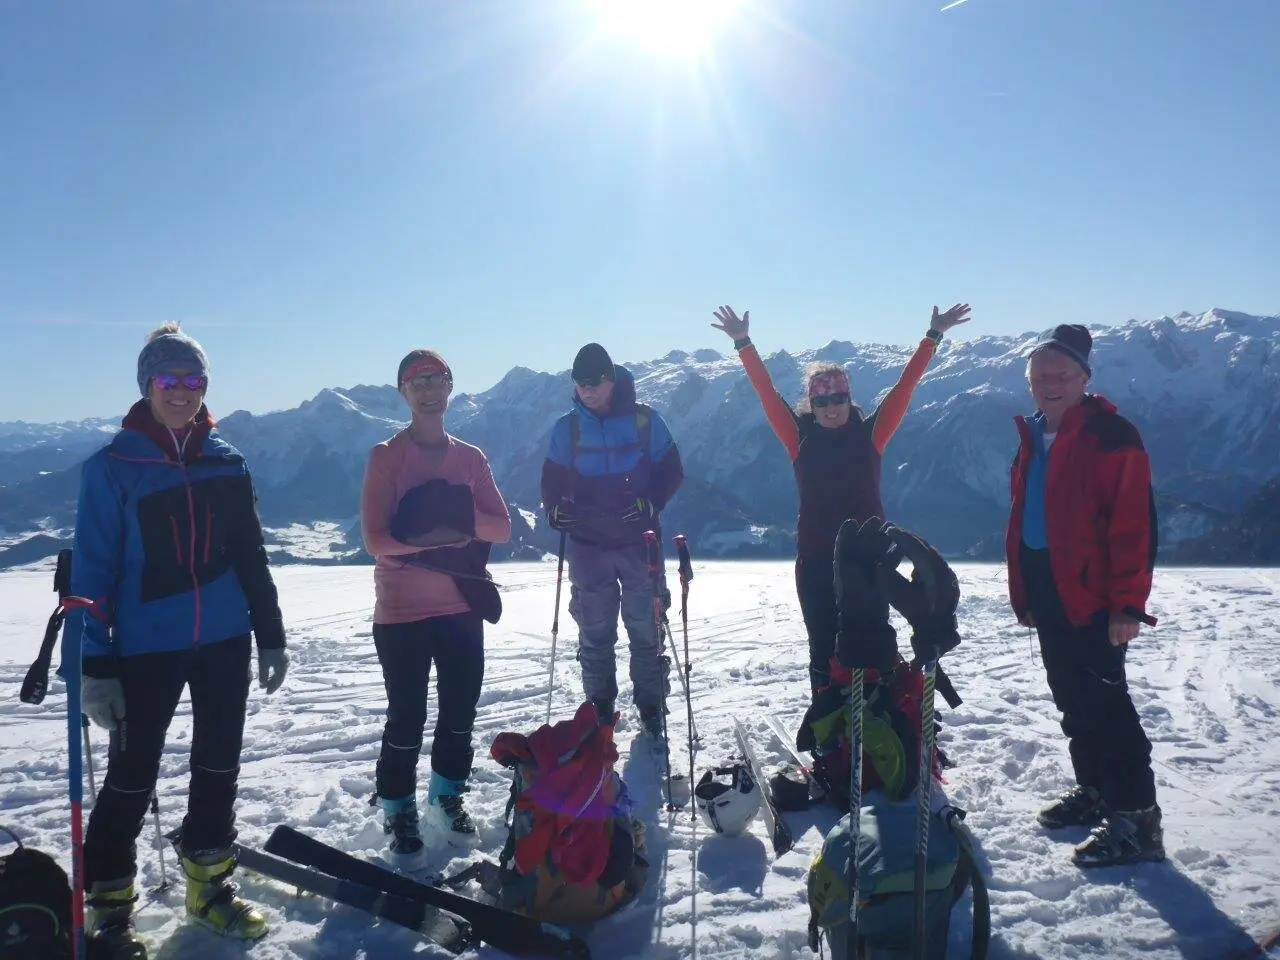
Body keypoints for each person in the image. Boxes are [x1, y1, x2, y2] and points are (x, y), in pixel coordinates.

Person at [69, 323, 288, 957]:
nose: (183, 392)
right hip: (145, 647)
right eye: (170, 380)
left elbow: (250, 553)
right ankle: (109, 907)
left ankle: (209, 887)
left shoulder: (227, 459)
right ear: (147, 386)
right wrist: (95, 663)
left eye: (194, 380)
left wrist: (269, 634)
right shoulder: (113, 467)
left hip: (225, 638)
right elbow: (91, 573)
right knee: (132, 776)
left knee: (218, 765)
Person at [710, 303, 970, 695]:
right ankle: (830, 735)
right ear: (811, 406)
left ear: (849, 399)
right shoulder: (800, 438)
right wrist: (742, 342)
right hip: (817, 560)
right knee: (823, 649)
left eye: (838, 400)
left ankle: (876, 724)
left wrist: (932, 336)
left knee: (871, 645)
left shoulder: (871, 435)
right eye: (822, 402)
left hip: (868, 561)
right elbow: (767, 393)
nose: (831, 409)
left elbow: (904, 388)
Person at [1005, 323, 1163, 867]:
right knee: (1071, 697)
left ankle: (1138, 821)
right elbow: (1027, 518)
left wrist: (1127, 604)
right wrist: (1026, 591)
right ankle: (1096, 790)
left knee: (1107, 704)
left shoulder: (1110, 435)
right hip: (1050, 589)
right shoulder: (1032, 436)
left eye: (1061, 374)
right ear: (1029, 382)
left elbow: (1133, 524)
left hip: (1095, 595)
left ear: (1083, 378)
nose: (1051, 383)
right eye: (1040, 374)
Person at [361, 349, 512, 868]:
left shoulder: (470, 458)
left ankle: (446, 794)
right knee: (406, 716)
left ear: (450, 387)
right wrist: (449, 529)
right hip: (401, 611)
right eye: (416, 382)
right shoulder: (387, 456)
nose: (428, 390)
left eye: (436, 380)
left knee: (459, 712)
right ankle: (398, 807)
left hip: (459, 607)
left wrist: (435, 526)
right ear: (404, 393)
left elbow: (503, 527)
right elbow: (375, 541)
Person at [541, 343, 684, 735]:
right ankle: (600, 710)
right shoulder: (567, 428)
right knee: (595, 630)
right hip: (588, 544)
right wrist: (554, 509)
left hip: (639, 540)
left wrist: (650, 503)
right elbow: (551, 482)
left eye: (595, 381)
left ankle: (652, 708)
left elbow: (672, 471)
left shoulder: (644, 421)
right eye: (580, 382)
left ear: (611, 379)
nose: (587, 388)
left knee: (646, 626)